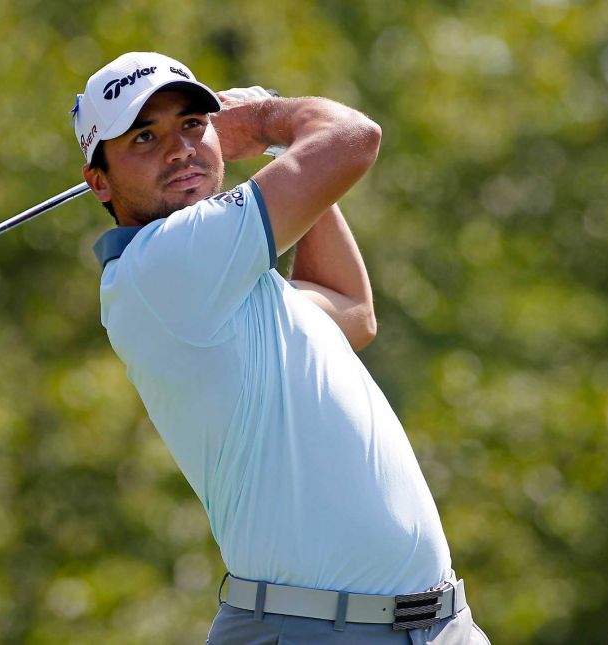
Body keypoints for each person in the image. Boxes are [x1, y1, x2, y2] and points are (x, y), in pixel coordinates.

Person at [71, 52, 489, 644]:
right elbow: (352, 139)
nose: (180, 149)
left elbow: (349, 310)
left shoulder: (221, 280)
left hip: (436, 626)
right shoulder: (166, 262)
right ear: (100, 182)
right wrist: (267, 120)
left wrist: (276, 154)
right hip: (317, 629)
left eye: (193, 124)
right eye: (145, 137)